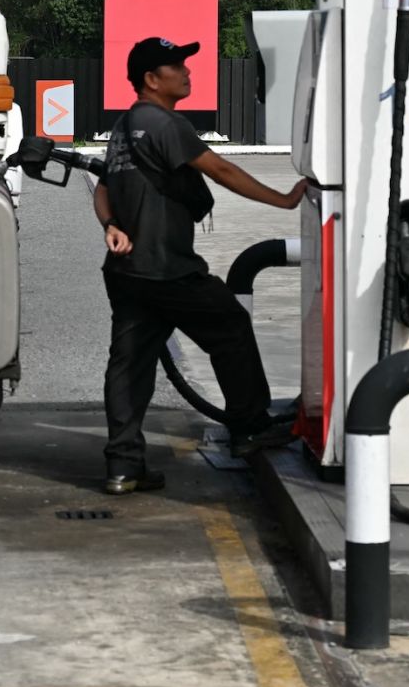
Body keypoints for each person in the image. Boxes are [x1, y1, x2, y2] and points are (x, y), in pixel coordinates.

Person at [94, 36, 308, 495]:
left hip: (127, 271)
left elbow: (103, 188)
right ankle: (249, 427)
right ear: (152, 79)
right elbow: (222, 170)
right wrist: (285, 200)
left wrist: (110, 225)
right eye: (177, 66)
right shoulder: (165, 123)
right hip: (169, 268)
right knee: (230, 325)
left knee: (130, 366)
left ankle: (123, 466)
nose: (187, 72)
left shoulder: (123, 126)